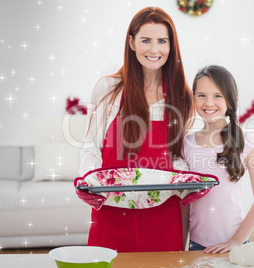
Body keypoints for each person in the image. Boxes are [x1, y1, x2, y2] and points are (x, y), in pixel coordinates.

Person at [78, 7, 195, 252]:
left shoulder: (181, 96)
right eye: (146, 40)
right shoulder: (109, 89)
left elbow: (181, 156)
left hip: (163, 214)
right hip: (112, 210)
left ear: (171, 46)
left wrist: (186, 182)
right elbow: (91, 145)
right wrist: (90, 183)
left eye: (162, 41)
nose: (154, 50)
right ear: (131, 42)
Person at [183, 65, 254, 253]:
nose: (209, 102)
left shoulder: (247, 140)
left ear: (230, 99)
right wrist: (181, 245)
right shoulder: (186, 144)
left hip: (235, 244)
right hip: (196, 245)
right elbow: (184, 200)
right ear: (194, 97)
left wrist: (236, 241)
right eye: (202, 95)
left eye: (217, 95)